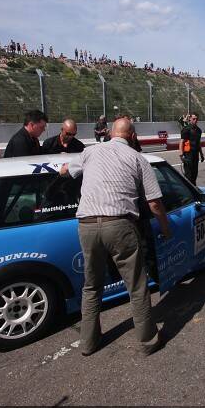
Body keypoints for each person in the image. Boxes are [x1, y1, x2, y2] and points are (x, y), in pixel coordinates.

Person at [59, 118, 172, 356]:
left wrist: (62, 170)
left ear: (110, 133)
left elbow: (66, 170)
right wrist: (165, 228)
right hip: (120, 225)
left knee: (92, 286)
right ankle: (148, 341)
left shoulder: (90, 152)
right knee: (137, 286)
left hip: (87, 225)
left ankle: (88, 343)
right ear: (133, 136)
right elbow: (154, 203)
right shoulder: (138, 159)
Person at [179, 112, 205, 184]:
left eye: (196, 119)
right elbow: (182, 141)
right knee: (188, 175)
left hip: (195, 154)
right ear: (190, 119)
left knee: (194, 173)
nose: (195, 120)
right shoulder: (186, 129)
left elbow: (198, 143)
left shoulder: (199, 130)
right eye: (193, 119)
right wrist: (181, 154)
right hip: (188, 154)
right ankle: (189, 188)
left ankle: (194, 187)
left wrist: (201, 154)